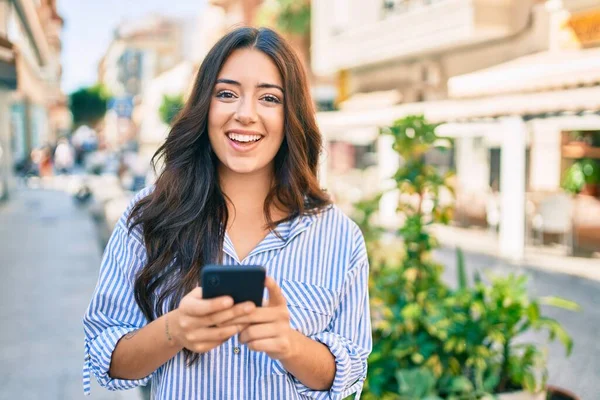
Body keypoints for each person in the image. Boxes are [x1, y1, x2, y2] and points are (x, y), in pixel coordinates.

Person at [83, 27, 372, 400]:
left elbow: (348, 375)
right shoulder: (149, 216)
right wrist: (175, 329)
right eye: (226, 94)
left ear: (292, 115)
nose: (245, 114)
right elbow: (105, 359)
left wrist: (289, 345)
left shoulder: (339, 236)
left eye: (269, 98)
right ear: (205, 106)